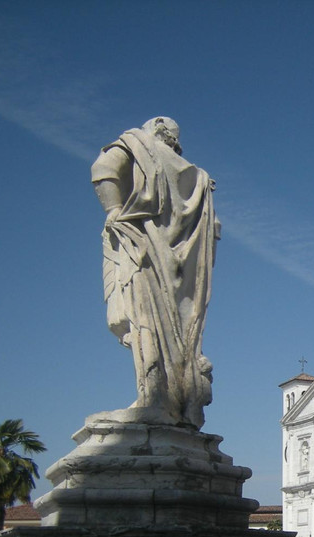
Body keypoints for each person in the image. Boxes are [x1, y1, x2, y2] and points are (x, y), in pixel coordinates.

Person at [91, 116, 220, 428]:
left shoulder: (139, 143)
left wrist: (114, 212)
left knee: (146, 322)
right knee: (179, 335)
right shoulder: (199, 178)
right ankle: (172, 401)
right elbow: (213, 232)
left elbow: (103, 169)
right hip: (184, 274)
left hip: (144, 251)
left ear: (155, 130)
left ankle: (153, 399)